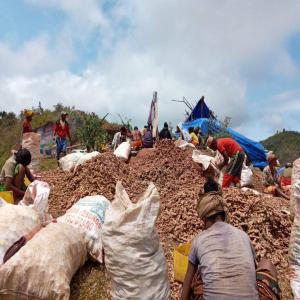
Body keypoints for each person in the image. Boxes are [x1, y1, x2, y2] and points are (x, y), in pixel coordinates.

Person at [181, 179, 281, 300]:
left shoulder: (198, 240)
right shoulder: (243, 235)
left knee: (197, 275)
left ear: (204, 218)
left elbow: (186, 286)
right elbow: (252, 271)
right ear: (224, 214)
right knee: (266, 264)